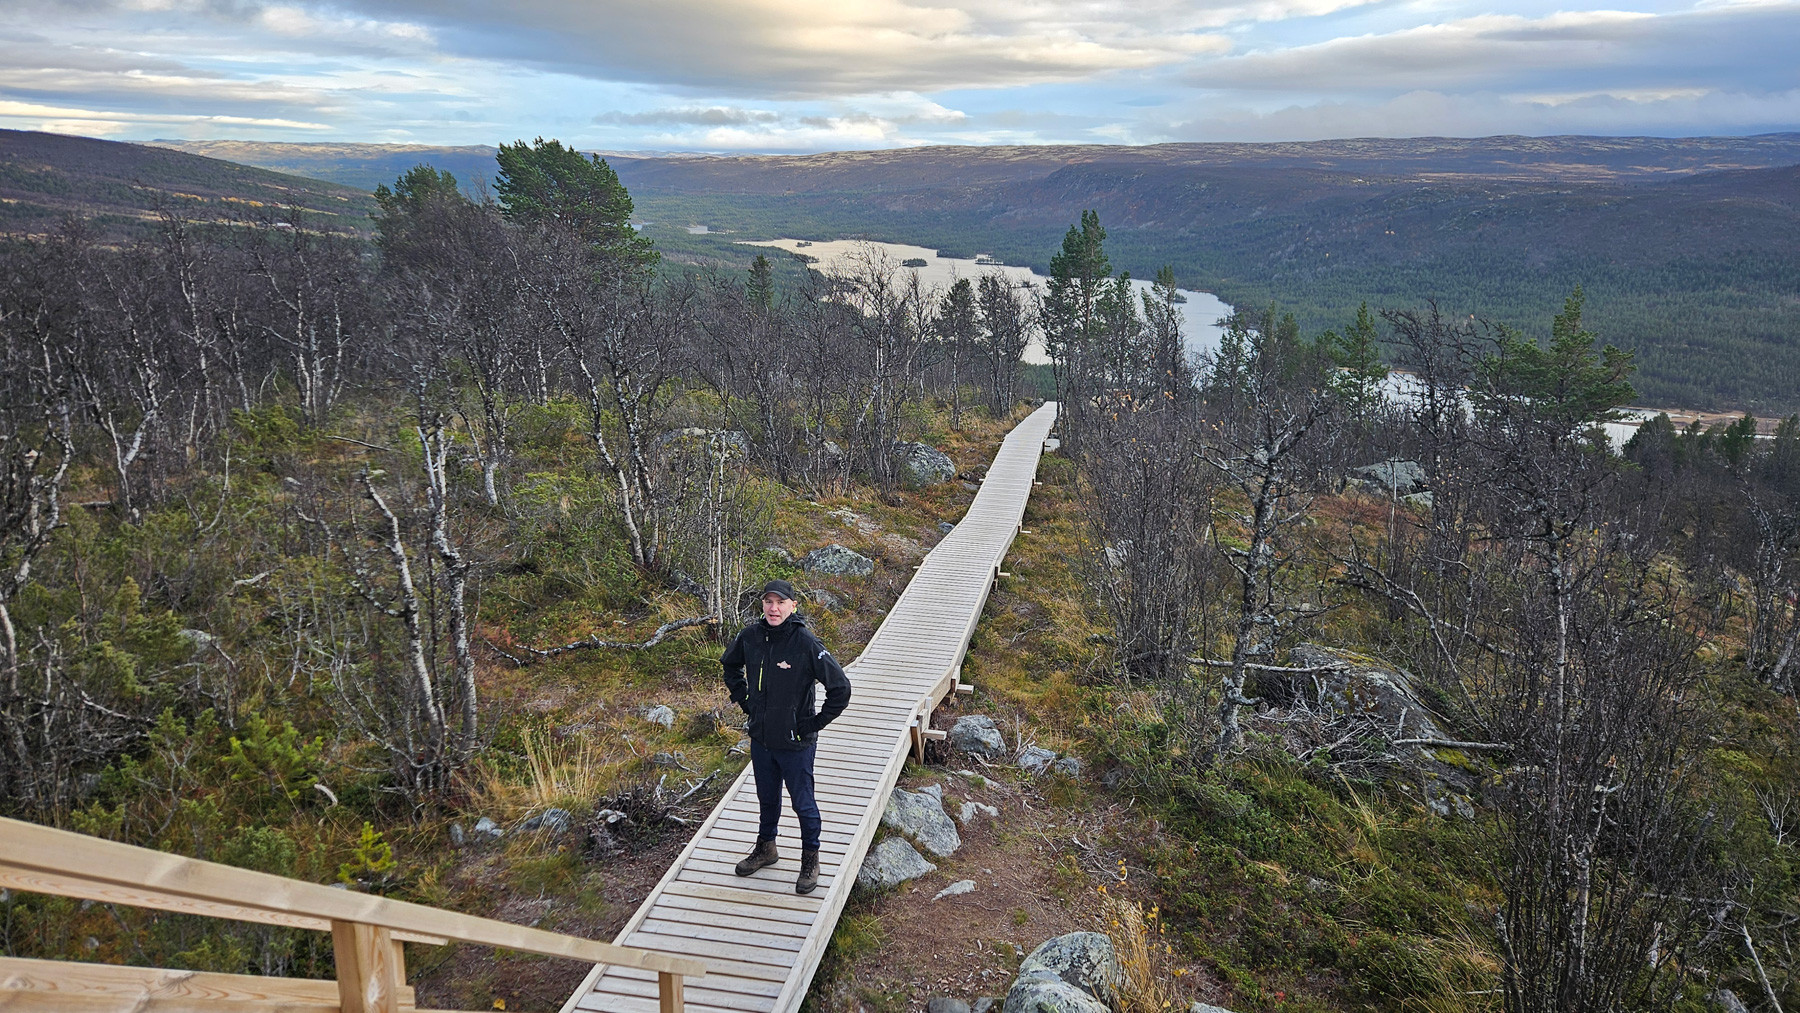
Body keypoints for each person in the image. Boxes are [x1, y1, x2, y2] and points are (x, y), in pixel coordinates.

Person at [721, 579, 852, 894]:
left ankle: (811, 859)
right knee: (767, 798)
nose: (773, 608)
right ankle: (766, 848)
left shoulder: (805, 643)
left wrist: (812, 724)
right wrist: (746, 701)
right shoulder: (750, 637)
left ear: (793, 606)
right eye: (768, 601)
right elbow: (729, 666)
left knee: (803, 803)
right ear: (762, 605)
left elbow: (841, 688)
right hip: (762, 740)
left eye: (781, 602)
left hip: (795, 744)